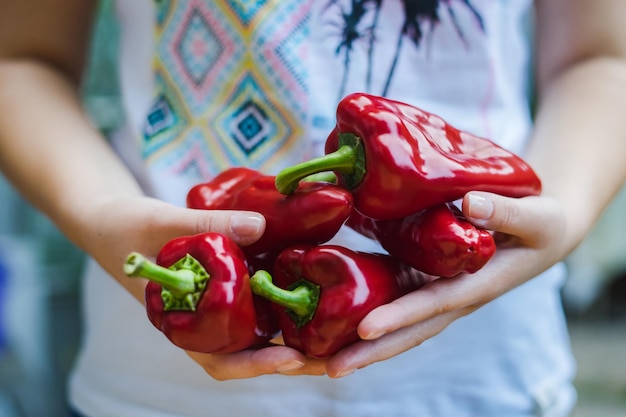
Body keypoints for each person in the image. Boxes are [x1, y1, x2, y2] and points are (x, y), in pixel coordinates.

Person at [1, 0, 626, 416]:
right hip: (155, 386)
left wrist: (562, 214)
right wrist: (100, 211)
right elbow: (19, 57)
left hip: (481, 376)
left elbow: (603, 56)